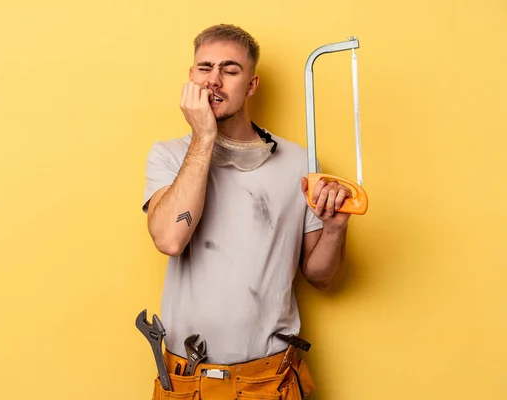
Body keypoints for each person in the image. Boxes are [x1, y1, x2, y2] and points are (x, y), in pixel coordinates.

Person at [142, 24, 352, 399]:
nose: (214, 81)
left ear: (251, 85)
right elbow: (171, 239)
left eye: (230, 70)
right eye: (204, 68)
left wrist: (335, 229)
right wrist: (204, 136)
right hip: (187, 380)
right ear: (191, 78)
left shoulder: (298, 163)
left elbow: (321, 277)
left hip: (269, 380)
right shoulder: (169, 155)